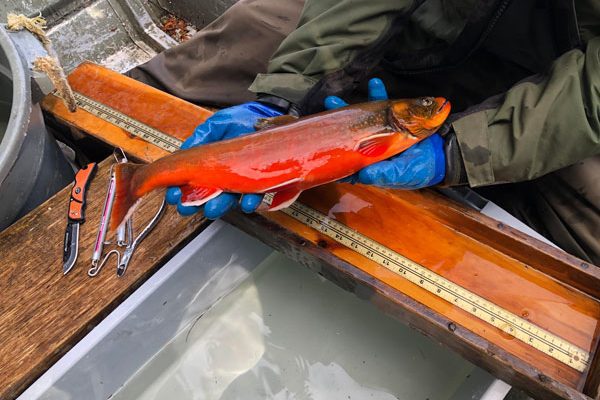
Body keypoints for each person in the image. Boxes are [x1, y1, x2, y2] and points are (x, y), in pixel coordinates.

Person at [129, 0, 600, 264]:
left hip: (555, 93)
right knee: (247, 27)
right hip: (403, 34)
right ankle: (110, 164)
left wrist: (465, 150)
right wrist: (285, 90)